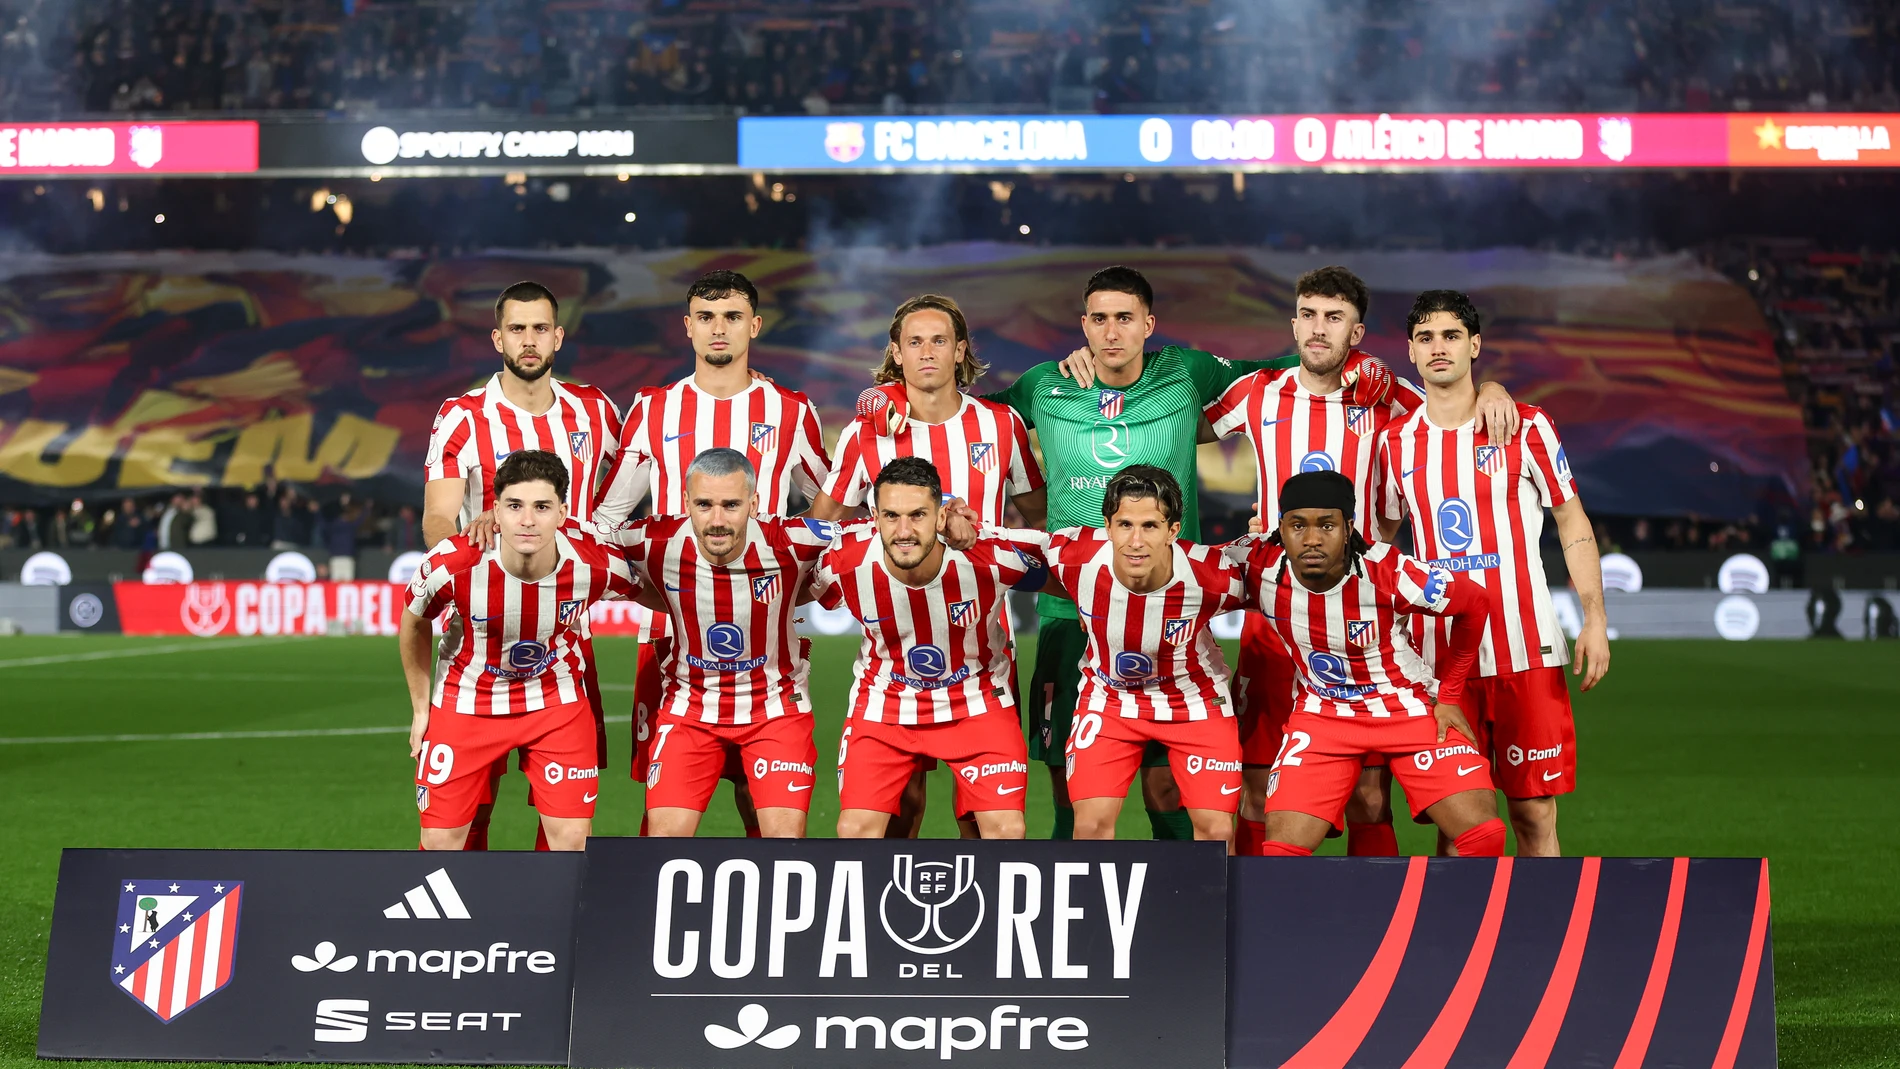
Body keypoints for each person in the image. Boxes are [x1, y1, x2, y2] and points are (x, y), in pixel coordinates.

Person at [1202, 266, 1518, 858]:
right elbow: (1173, 427)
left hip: (1366, 611)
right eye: (1309, 315)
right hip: (1277, 613)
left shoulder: (1385, 393)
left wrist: (1495, 390)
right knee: (1252, 786)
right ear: (1294, 323)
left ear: (1358, 332)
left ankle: (1374, 932)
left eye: (1335, 317)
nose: (1319, 329)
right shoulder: (1257, 392)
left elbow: (1454, 401)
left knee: (1370, 793)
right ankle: (1252, 930)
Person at [593, 269, 831, 837]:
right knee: (664, 813)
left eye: (730, 317)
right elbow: (606, 519)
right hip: (673, 636)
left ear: (754, 324)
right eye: (705, 317)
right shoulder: (654, 409)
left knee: (767, 810)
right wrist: (648, 587)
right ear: (688, 328)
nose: (718, 329)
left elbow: (833, 509)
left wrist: (800, 576)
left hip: (770, 639)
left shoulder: (792, 410)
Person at [1379, 290, 1610, 856]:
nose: (1439, 348)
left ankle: (1545, 936)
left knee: (1533, 813)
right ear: (1410, 351)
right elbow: (1383, 545)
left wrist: (1595, 618)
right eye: (1426, 338)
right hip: (1439, 665)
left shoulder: (1526, 426)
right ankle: (1463, 942)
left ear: (1475, 345)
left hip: (1525, 651)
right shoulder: (1395, 444)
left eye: (1452, 335)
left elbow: (1569, 517)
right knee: (1460, 823)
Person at [812, 293, 1047, 838]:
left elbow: (1040, 522)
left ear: (960, 350)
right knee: (900, 814)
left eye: (939, 340)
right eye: (913, 342)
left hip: (980, 651)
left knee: (981, 822)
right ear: (895, 354)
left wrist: (982, 538)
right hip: (891, 652)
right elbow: (822, 529)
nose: (927, 353)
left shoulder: (1000, 425)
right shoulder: (865, 434)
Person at [422, 280, 623, 851]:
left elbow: (631, 483)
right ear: (497, 338)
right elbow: (437, 518)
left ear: (558, 337)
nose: (529, 341)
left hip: (565, 638)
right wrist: (472, 538)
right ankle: (471, 932)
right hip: (477, 641)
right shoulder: (462, 417)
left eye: (540, 329)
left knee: (563, 820)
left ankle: (545, 928)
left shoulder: (594, 410)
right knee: (466, 814)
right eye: (517, 329)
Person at [1228, 470, 1507, 857]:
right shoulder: (1256, 562)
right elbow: (1189, 577)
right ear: (1280, 527)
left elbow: (1474, 603)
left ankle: (1447, 917)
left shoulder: (1389, 571)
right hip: (1322, 716)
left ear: (1349, 527)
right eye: (1297, 525)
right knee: (1280, 853)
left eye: (1327, 525)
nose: (1311, 539)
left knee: (1484, 835)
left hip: (1407, 710)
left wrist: (1450, 694)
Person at [397, 450, 640, 852]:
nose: (527, 520)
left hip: (554, 703)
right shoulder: (454, 562)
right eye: (515, 506)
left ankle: (551, 915)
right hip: (467, 700)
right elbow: (414, 621)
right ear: (495, 510)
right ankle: (454, 915)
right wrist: (423, 709)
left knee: (572, 839)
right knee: (440, 840)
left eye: (542, 507)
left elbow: (658, 593)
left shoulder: (595, 564)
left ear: (562, 513)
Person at [601, 447, 832, 838]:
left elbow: (881, 534)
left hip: (776, 709)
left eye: (732, 504)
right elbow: (579, 536)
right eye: (704, 504)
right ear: (686, 502)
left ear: (754, 503)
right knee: (662, 842)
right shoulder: (652, 540)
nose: (717, 520)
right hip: (689, 709)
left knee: (784, 843)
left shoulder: (793, 541)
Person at [810, 457, 1039, 840]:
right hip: (886, 704)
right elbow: (790, 584)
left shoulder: (991, 555)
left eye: (918, 515)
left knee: (1006, 831)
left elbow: (1068, 573)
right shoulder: (842, 561)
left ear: (941, 515)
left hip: (975, 702)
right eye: (891, 516)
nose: (903, 531)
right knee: (854, 832)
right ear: (874, 517)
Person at [1025, 465, 1248, 845]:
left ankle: (1207, 905)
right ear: (1107, 527)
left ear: (1173, 531)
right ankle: (1093, 905)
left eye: (1150, 526)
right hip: (1110, 700)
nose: (1136, 540)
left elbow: (1282, 581)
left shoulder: (1215, 575)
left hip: (1194, 703)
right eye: (1125, 524)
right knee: (1090, 826)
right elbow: (996, 549)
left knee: (1217, 831)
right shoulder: (1073, 556)